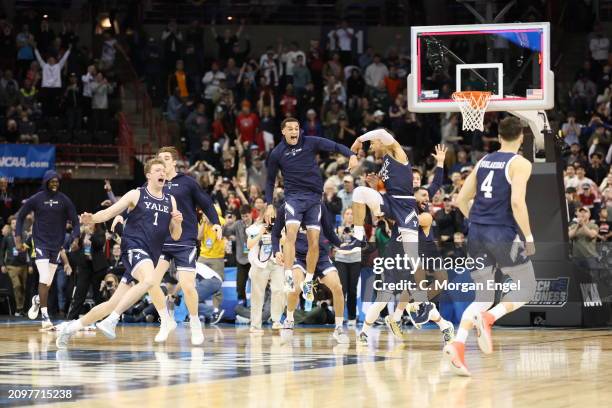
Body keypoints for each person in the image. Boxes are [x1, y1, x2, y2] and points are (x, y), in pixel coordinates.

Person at [443, 117, 537, 376]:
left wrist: (477, 222)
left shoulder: (484, 161)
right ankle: (490, 319)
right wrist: (528, 237)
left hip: (476, 234)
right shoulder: (520, 163)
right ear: (521, 137)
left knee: (482, 297)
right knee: (527, 287)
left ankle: (458, 344)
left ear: (498, 136)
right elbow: (517, 203)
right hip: (501, 234)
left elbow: (461, 199)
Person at [78, 159, 183, 341]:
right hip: (133, 247)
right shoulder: (136, 194)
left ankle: (71, 327)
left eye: (163, 171)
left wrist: (178, 223)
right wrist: (92, 218)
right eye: (158, 170)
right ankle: (113, 320)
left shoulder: (170, 200)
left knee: (115, 301)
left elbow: (175, 235)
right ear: (148, 175)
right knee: (150, 280)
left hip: (150, 256)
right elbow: (110, 212)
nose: (162, 173)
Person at [264, 117, 358, 309]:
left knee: (314, 240)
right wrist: (269, 204)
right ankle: (289, 276)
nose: (294, 131)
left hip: (314, 198)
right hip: (294, 198)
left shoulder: (310, 141)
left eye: (297, 128)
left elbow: (334, 145)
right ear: (283, 131)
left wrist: (351, 154)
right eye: (290, 128)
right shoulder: (277, 153)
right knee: (291, 232)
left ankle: (308, 280)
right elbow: (269, 181)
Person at [147, 147, 221, 345]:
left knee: (188, 286)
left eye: (166, 159)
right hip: (161, 242)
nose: (162, 162)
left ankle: (195, 324)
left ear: (174, 162)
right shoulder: (153, 184)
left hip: (185, 240)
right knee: (150, 283)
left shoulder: (187, 182)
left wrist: (216, 224)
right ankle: (166, 321)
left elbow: (206, 203)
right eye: (159, 159)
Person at [272, 203, 355, 344]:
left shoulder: (320, 206)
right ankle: (289, 320)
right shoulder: (285, 207)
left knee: (338, 287)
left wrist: (341, 245)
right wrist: (276, 251)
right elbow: (275, 233)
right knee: (296, 288)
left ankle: (339, 328)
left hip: (320, 256)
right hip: (298, 256)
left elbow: (329, 232)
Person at [15, 170, 80, 329]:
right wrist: (18, 237)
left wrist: (76, 237)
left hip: (56, 246)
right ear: (45, 182)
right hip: (40, 243)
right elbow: (20, 216)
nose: (55, 183)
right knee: (44, 277)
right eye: (52, 181)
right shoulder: (36, 199)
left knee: (48, 282)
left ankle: (37, 300)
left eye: (57, 181)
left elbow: (76, 221)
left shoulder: (64, 200)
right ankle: (45, 318)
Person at [246, 216, 284, 333]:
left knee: (279, 290)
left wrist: (276, 233)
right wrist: (261, 233)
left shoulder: (279, 226)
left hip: (276, 262)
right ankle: (255, 325)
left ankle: (276, 321)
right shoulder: (255, 228)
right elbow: (249, 245)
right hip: (259, 264)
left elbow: (285, 241)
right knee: (257, 294)